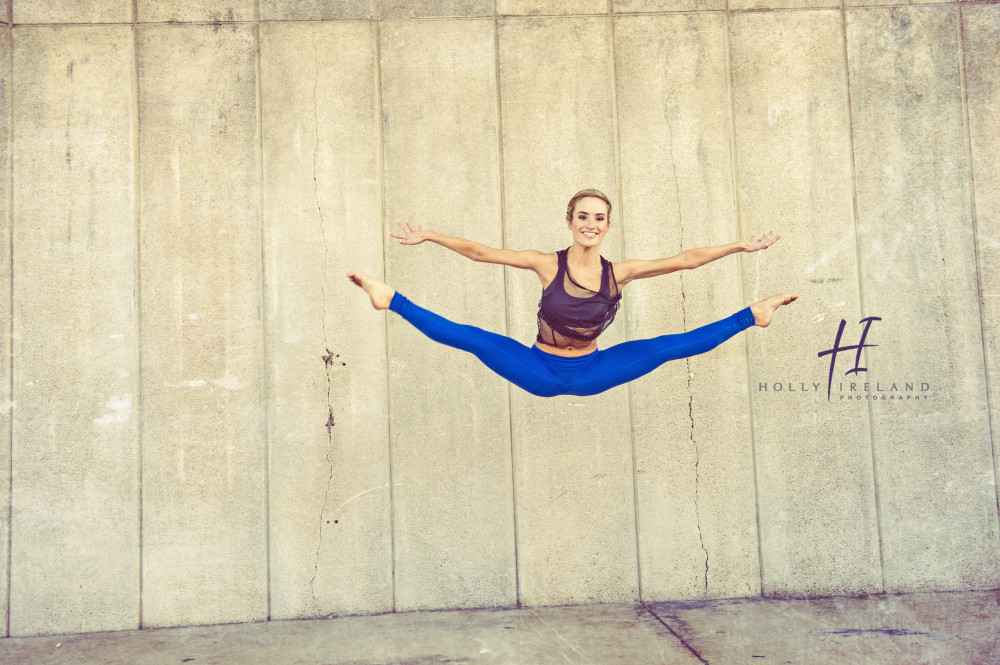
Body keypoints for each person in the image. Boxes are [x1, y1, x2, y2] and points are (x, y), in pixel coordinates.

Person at [347, 188, 797, 398]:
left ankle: (753, 314)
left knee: (666, 348)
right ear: (569, 221)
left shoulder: (619, 272)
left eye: (599, 218)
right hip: (538, 367)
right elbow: (482, 253)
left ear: (607, 226)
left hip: (593, 369)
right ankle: (391, 299)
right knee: (476, 339)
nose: (590, 224)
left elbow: (685, 259)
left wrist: (742, 245)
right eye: (582, 216)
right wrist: (429, 235)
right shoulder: (547, 264)